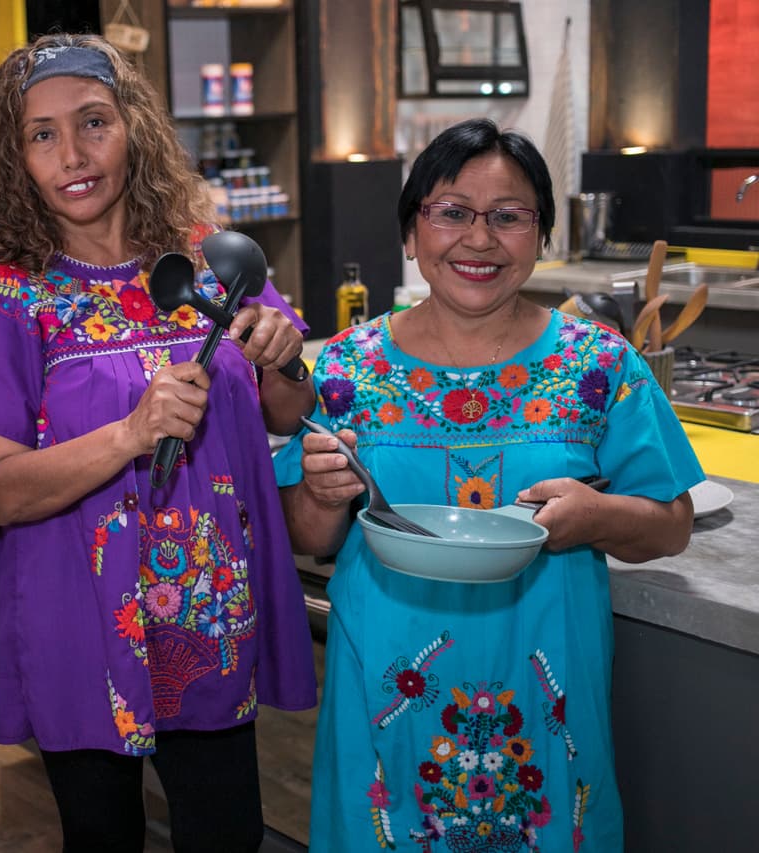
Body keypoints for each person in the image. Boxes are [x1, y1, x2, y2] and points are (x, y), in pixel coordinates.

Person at [276, 117, 704, 853]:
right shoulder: (346, 368)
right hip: (386, 682)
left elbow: (672, 522)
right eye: (451, 212)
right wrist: (318, 494)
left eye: (508, 216)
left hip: (546, 689)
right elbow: (309, 536)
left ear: (540, 236)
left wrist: (596, 515)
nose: (479, 239)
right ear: (411, 232)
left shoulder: (600, 365)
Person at [0, 33, 317, 853]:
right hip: (80, 615)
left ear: (134, 131)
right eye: (41, 134)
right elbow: (3, 489)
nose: (72, 156)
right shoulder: (0, 299)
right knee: (103, 838)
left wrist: (285, 357)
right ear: (16, 158)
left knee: (227, 836)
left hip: (210, 608)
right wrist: (130, 432)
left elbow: (286, 413)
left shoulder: (208, 260)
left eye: (94, 122)